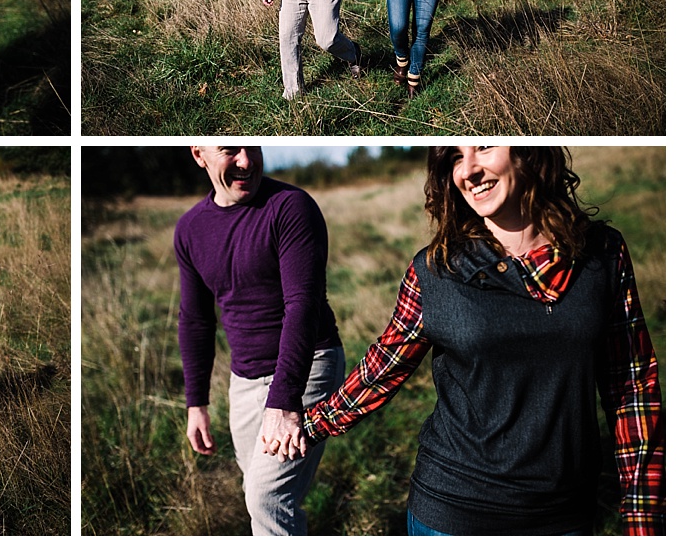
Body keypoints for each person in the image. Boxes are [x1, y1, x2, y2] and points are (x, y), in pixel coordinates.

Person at [276, 147, 664, 536]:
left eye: (482, 147)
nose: (469, 170)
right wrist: (307, 424)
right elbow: (384, 367)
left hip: (565, 517)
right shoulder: (436, 269)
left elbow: (633, 387)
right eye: (455, 159)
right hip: (453, 515)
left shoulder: (602, 254)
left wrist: (644, 521)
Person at [176, 146, 346, 535]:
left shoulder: (290, 207)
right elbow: (196, 320)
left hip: (307, 365)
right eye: (228, 150)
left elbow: (303, 304)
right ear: (198, 154)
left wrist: (284, 402)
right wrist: (196, 403)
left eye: (252, 146)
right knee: (256, 493)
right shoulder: (190, 229)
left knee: (267, 498)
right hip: (245, 380)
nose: (246, 161)